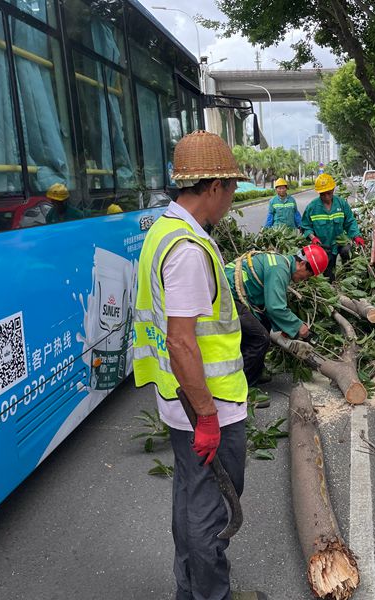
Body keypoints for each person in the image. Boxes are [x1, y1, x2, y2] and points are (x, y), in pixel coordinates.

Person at [132, 130, 265, 600]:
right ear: (213, 188)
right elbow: (182, 343)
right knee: (211, 512)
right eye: (230, 189)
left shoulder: (162, 232)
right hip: (207, 407)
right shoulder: (188, 250)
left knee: (190, 500)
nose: (231, 198)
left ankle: (189, 592)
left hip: (179, 403)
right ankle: (214, 596)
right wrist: (208, 415)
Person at [224, 244, 329, 387]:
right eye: (308, 275)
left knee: (264, 323)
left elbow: (267, 305)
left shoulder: (281, 262)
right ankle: (243, 389)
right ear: (303, 264)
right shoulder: (280, 269)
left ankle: (255, 371)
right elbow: (275, 307)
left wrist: (284, 327)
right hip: (227, 297)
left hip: (237, 295)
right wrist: (298, 326)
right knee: (259, 338)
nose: (305, 279)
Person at [301, 173, 364, 280]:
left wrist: (356, 236)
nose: (326, 197)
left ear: (333, 189)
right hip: (324, 245)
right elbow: (306, 226)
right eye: (323, 194)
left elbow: (349, 222)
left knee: (347, 253)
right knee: (329, 272)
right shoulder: (312, 207)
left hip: (340, 241)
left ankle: (348, 277)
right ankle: (332, 284)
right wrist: (313, 237)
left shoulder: (341, 204)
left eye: (329, 193)